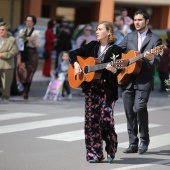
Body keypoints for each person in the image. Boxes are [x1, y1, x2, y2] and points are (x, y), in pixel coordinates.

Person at [69, 21, 122, 163]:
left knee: (106, 120)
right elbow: (72, 53)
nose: (96, 31)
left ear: (108, 32)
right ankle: (94, 154)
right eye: (96, 29)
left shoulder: (116, 50)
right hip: (92, 89)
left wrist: (114, 69)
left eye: (100, 29)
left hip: (107, 89)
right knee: (91, 121)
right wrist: (75, 64)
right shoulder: (92, 45)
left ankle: (111, 148)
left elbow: (120, 69)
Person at [118, 10, 162, 154]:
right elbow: (117, 52)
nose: (136, 22)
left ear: (147, 21)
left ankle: (144, 139)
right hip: (127, 79)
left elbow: (157, 61)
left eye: (140, 20)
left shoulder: (155, 40)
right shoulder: (129, 37)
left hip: (144, 80)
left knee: (140, 108)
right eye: (135, 20)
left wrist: (150, 58)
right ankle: (133, 143)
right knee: (129, 111)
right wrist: (117, 62)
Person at [16, 15, 41, 99]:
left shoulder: (36, 32)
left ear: (33, 22)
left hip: (32, 53)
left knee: (30, 72)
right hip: (23, 52)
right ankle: (23, 85)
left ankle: (26, 90)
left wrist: (31, 39)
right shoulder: (22, 31)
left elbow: (38, 45)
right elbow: (18, 41)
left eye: (30, 21)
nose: (28, 22)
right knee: (20, 70)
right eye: (27, 20)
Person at [0, 22, 18, 102]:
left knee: (6, 84)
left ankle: (5, 97)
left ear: (7, 30)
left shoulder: (11, 40)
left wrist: (3, 55)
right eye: (0, 30)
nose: (1, 31)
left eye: (3, 30)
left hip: (7, 65)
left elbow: (14, 51)